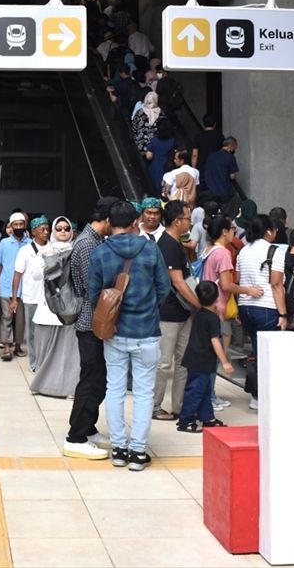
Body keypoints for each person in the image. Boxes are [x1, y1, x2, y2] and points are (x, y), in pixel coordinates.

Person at [88, 201, 171, 471]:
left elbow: (93, 295)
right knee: (144, 393)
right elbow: (164, 288)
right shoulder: (150, 249)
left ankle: (119, 449)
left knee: (115, 389)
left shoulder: (100, 253)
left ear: (110, 223)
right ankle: (137, 453)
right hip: (146, 331)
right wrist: (148, 308)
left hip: (115, 332)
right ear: (136, 221)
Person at [63, 196, 119, 460]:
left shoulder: (94, 241)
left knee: (97, 378)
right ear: (107, 220)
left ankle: (88, 428)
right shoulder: (87, 244)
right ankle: (75, 437)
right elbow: (90, 288)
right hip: (90, 322)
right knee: (92, 378)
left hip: (94, 320)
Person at [201, 214, 263, 408]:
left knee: (209, 356)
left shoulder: (208, 250)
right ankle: (210, 397)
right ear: (224, 232)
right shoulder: (223, 253)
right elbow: (227, 285)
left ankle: (209, 395)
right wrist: (248, 290)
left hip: (208, 307)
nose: (234, 232)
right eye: (232, 229)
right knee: (215, 357)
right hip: (217, 307)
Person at [152, 201, 203, 421]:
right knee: (164, 363)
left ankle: (179, 406)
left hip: (183, 312)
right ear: (176, 221)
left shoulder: (176, 243)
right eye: (187, 218)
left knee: (183, 362)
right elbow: (179, 282)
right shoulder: (168, 244)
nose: (189, 223)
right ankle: (154, 405)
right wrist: (200, 306)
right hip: (169, 313)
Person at [235, 214, 288, 409]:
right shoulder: (275, 251)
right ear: (268, 231)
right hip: (267, 307)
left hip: (246, 306)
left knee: (257, 352)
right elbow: (276, 285)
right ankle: (264, 396)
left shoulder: (243, 251)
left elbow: (239, 279)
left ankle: (256, 396)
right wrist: (283, 315)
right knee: (269, 354)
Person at [31, 216, 80, 398]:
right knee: (45, 350)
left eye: (66, 228)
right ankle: (43, 385)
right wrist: (51, 267)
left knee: (69, 353)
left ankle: (68, 388)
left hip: (69, 308)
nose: (63, 232)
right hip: (48, 306)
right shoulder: (45, 251)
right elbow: (35, 274)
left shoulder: (77, 250)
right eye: (59, 228)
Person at [177, 281, 236, 432]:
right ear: (217, 297)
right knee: (196, 391)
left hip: (196, 358)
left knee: (204, 390)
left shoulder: (198, 314)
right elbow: (215, 341)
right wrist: (225, 362)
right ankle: (186, 420)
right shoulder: (212, 318)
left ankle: (207, 417)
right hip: (202, 360)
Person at [11, 216, 51, 371]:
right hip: (31, 297)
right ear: (34, 232)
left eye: (47, 229)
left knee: (48, 333)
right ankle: (34, 363)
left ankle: (46, 362)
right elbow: (17, 275)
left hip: (49, 298)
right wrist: (14, 298)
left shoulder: (53, 248)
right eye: (42, 229)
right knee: (32, 332)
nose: (46, 232)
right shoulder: (25, 251)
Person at [0, 212, 31, 361]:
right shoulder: (4, 243)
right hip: (6, 285)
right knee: (6, 317)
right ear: (11, 226)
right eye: (16, 225)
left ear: (25, 225)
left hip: (25, 288)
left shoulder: (30, 244)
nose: (19, 227)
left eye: (21, 224)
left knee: (20, 319)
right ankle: (7, 348)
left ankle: (18, 346)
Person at [203, 137, 240, 205]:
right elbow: (232, 176)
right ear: (230, 146)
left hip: (210, 191)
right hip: (224, 191)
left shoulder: (211, 156)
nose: (234, 150)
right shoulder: (230, 157)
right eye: (234, 148)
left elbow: (206, 170)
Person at [146, 119, 177, 196]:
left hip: (155, 167)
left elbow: (148, 156)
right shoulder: (173, 141)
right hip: (168, 166)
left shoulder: (154, 141)